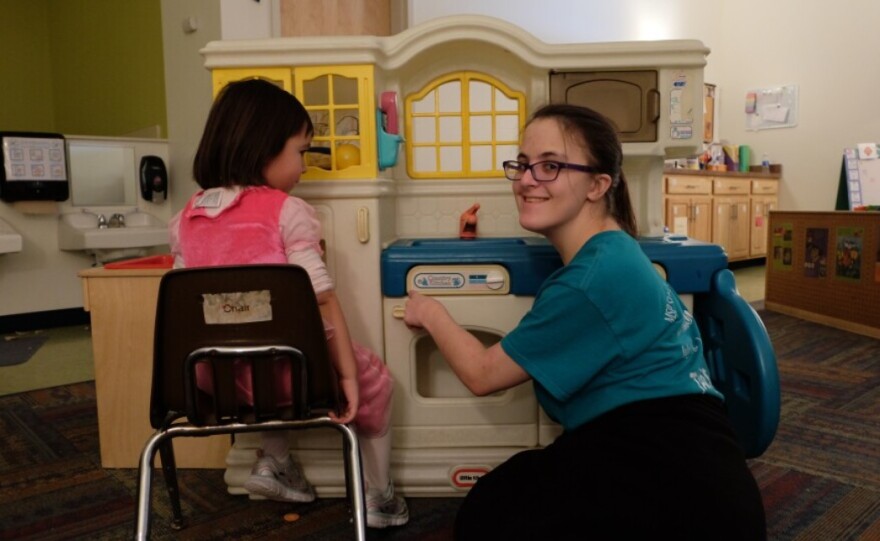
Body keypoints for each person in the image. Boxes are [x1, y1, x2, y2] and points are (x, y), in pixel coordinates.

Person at [403, 103, 766, 540]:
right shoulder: (619, 251)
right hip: (701, 464)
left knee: (487, 514)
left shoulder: (590, 279)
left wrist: (431, 311)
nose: (526, 179)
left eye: (550, 166)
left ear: (598, 184)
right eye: (522, 165)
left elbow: (483, 374)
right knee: (508, 490)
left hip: (676, 479)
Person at [169, 78, 408, 529]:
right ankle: (379, 497)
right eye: (300, 151)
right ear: (263, 149)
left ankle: (271, 462)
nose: (303, 166)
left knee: (253, 360)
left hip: (212, 376)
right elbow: (323, 297)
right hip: (289, 373)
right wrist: (351, 378)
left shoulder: (185, 218)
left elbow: (183, 306)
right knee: (375, 381)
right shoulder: (286, 211)